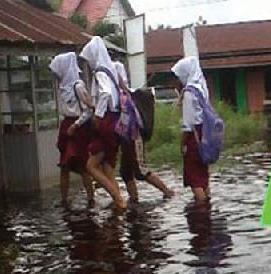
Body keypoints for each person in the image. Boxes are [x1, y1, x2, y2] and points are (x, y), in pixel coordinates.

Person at [113, 61, 175, 202]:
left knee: (140, 170)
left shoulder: (125, 96)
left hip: (134, 138)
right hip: (127, 139)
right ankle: (133, 199)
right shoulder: (123, 94)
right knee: (125, 171)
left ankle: (167, 191)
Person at [79, 36, 127, 210]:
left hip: (105, 122)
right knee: (107, 166)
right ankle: (120, 203)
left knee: (90, 166)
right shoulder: (110, 71)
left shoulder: (100, 71)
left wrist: (97, 115)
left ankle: (118, 198)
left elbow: (105, 94)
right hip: (114, 120)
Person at [49, 52, 95, 207]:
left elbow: (88, 111)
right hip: (66, 127)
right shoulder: (63, 88)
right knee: (64, 165)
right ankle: (64, 200)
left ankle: (90, 199)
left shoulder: (78, 86)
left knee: (82, 165)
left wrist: (75, 125)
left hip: (77, 128)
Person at [170, 56, 211, 203]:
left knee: (194, 179)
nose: (177, 80)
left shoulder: (189, 93)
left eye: (178, 76)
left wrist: (182, 145)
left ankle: (200, 211)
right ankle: (208, 206)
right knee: (203, 175)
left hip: (194, 138)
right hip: (205, 135)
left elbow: (187, 125)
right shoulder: (202, 88)